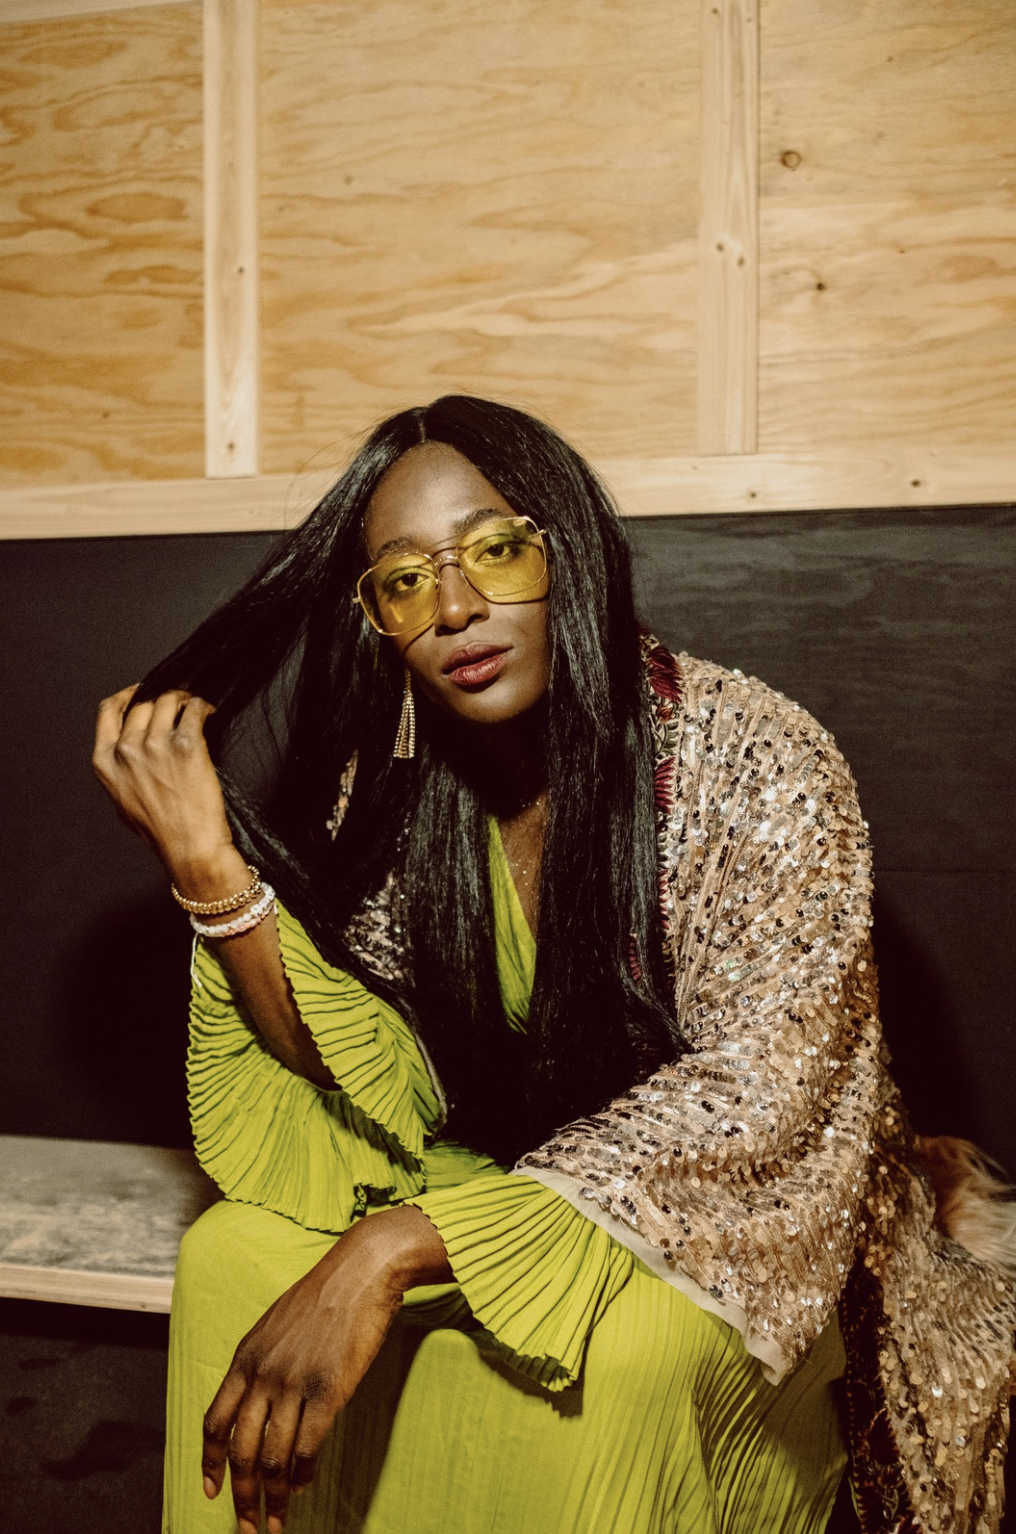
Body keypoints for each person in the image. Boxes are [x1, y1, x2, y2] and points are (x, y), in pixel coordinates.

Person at [92, 396, 1014, 1534]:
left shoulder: (754, 754)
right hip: (509, 1179)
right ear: (378, 619)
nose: (456, 609)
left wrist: (396, 1246)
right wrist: (205, 864)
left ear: (565, 549)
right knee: (231, 1251)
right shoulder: (396, 782)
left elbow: (760, 1090)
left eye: (493, 551)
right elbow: (360, 1073)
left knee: (618, 1361)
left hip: (742, 1220)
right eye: (405, 580)